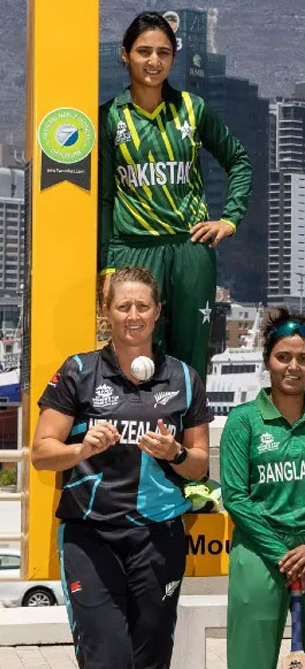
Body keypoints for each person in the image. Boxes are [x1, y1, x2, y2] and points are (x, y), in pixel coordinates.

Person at [31, 266, 211, 669]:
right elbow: (41, 453)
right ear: (106, 312)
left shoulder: (184, 377)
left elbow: (199, 466)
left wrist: (175, 454)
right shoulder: (78, 371)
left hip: (158, 536)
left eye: (142, 307)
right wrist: (81, 449)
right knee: (107, 658)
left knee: (151, 660)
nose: (134, 316)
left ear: (157, 311)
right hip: (90, 535)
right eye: (123, 306)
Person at [98, 11, 253, 378]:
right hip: (133, 250)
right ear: (125, 55)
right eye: (144, 51)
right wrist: (106, 265)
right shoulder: (109, 118)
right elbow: (103, 199)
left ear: (173, 58)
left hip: (189, 249)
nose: (154, 61)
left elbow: (239, 160)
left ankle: (190, 419)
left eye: (163, 53)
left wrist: (229, 219)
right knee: (134, 358)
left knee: (189, 360)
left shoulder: (193, 109)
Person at [221, 310, 305, 669]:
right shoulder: (243, 420)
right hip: (260, 549)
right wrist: (283, 554)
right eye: (283, 357)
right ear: (268, 360)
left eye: (303, 359)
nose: (293, 367)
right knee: (249, 660)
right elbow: (235, 497)